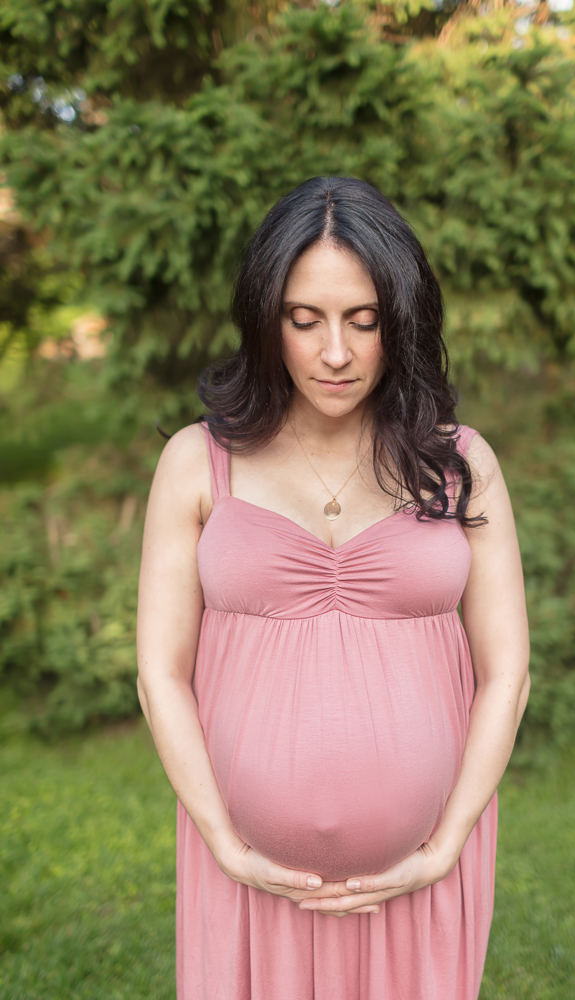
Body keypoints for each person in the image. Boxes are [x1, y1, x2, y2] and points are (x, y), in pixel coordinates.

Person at [137, 175, 530, 1000]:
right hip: (246, 876)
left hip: (421, 876)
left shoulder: (460, 465)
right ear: (265, 317)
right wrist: (223, 840)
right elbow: (160, 672)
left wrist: (447, 841)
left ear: (401, 319)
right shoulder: (195, 462)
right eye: (304, 319)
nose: (336, 352)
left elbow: (506, 672)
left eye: (363, 320)